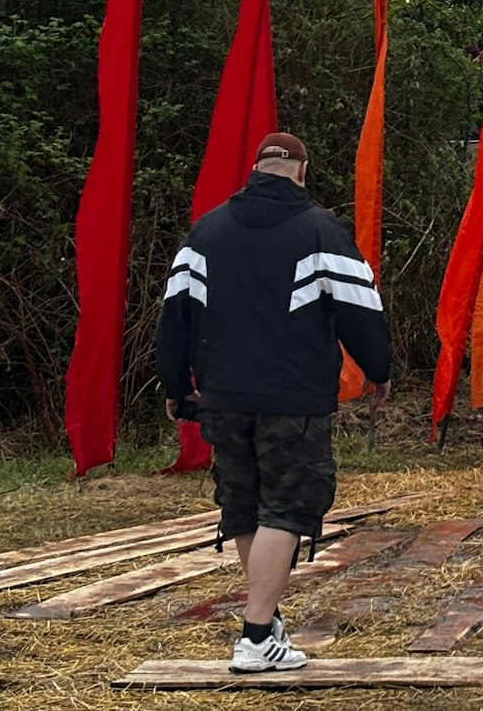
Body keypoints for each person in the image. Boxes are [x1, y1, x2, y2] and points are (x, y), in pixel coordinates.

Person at [157, 132, 392, 672]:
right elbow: (361, 308)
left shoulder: (206, 232)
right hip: (294, 395)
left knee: (243, 505)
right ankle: (257, 633)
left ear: (256, 168)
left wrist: (175, 383)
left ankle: (269, 619)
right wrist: (377, 370)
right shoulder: (321, 230)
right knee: (289, 504)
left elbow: (175, 313)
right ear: (303, 172)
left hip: (221, 393)